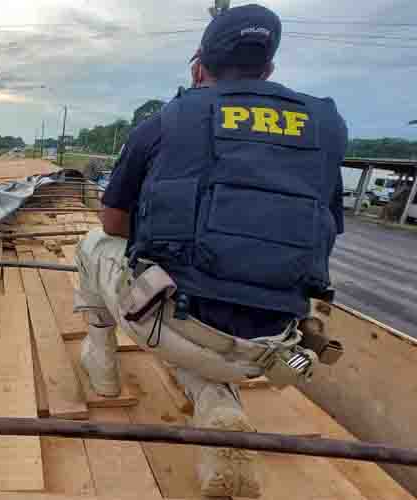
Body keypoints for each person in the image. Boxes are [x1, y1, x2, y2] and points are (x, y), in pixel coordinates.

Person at [73, 4, 347, 498]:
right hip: (273, 346)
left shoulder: (166, 120)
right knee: (212, 324)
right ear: (268, 69)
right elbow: (327, 229)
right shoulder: (325, 128)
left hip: (173, 325)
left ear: (200, 67)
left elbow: (113, 222)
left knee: (96, 247)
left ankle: (102, 364)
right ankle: (218, 404)